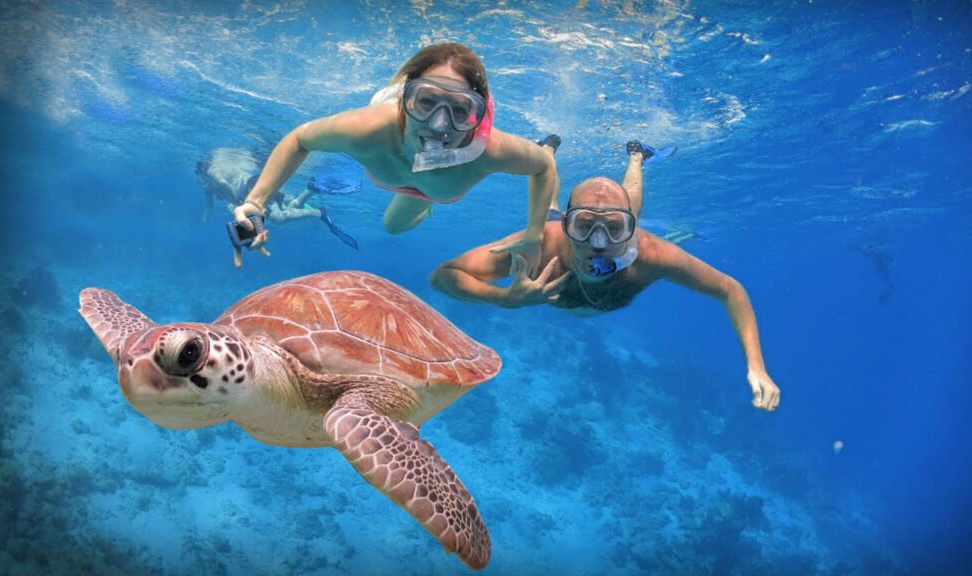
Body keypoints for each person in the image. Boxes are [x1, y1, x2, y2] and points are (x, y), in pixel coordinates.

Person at [430, 141, 781, 412]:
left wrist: (757, 366)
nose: (599, 244)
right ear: (568, 226)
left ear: (630, 232)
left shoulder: (651, 255)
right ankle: (546, 154)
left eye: (615, 229)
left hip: (618, 230)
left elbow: (730, 290)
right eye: (583, 225)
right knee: (547, 211)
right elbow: (443, 275)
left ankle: (637, 157)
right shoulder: (542, 244)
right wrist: (504, 299)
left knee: (629, 206)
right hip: (555, 223)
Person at [232, 43, 559, 270]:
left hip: (433, 187)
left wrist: (533, 236)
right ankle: (422, 111)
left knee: (394, 226)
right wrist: (256, 202)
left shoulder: (489, 151)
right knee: (393, 226)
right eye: (426, 102)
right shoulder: (368, 130)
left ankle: (437, 179)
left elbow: (544, 166)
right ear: (405, 100)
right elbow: (299, 138)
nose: (439, 125)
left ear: (477, 115)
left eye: (460, 110)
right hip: (414, 157)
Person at [196, 148, 359, 265]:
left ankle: (317, 212)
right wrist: (206, 216)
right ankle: (310, 191)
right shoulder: (207, 185)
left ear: (202, 171)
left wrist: (241, 205)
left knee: (279, 218)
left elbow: (225, 186)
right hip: (254, 185)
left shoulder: (212, 175)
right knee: (286, 208)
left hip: (252, 189)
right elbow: (209, 203)